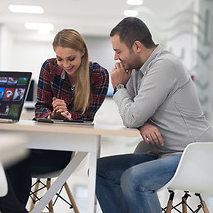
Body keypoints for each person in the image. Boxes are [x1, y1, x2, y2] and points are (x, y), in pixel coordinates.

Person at [96, 17, 213, 213]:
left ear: (137, 46)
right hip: (163, 153)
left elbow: (132, 116)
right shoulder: (136, 70)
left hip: (192, 155)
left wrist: (119, 87)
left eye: (118, 51)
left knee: (134, 179)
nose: (116, 58)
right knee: (100, 171)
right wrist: (143, 123)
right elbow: (134, 113)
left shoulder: (164, 65)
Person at [28, 28, 109, 201]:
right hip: (42, 141)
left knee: (16, 164)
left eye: (71, 59)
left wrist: (67, 115)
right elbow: (40, 108)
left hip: (67, 148)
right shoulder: (49, 67)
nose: (65, 64)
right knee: (10, 160)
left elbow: (88, 116)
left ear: (83, 52)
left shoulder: (98, 75)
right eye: (60, 59)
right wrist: (53, 115)